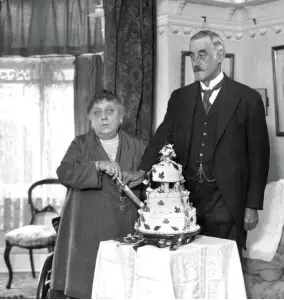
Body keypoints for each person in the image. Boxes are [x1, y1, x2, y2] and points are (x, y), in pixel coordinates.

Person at [131, 30, 270, 256]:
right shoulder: (180, 98)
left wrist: (252, 206)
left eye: (202, 55)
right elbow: (162, 137)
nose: (196, 62)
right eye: (192, 56)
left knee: (222, 267)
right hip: (186, 201)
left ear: (220, 55)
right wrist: (142, 170)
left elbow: (259, 157)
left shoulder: (248, 99)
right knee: (187, 266)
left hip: (227, 200)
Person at [49, 89, 146, 299]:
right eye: (97, 112)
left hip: (126, 230)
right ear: (90, 120)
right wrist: (97, 166)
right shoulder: (80, 144)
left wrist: (141, 176)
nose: (103, 116)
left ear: (121, 116)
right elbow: (64, 173)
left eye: (110, 110)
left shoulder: (138, 146)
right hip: (87, 232)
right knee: (86, 287)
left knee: (122, 288)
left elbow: (152, 178)